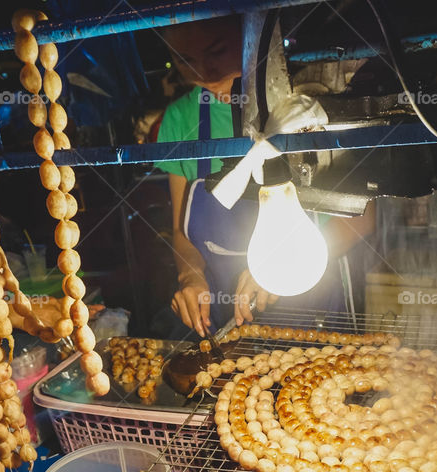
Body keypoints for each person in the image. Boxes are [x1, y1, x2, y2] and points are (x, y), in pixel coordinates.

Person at [154, 17, 376, 337]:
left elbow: (360, 221)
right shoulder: (179, 119)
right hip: (228, 324)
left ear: (250, 37)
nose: (205, 72)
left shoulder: (304, 102)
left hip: (315, 320)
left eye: (217, 51)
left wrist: (278, 268)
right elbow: (180, 232)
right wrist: (190, 277)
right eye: (186, 60)